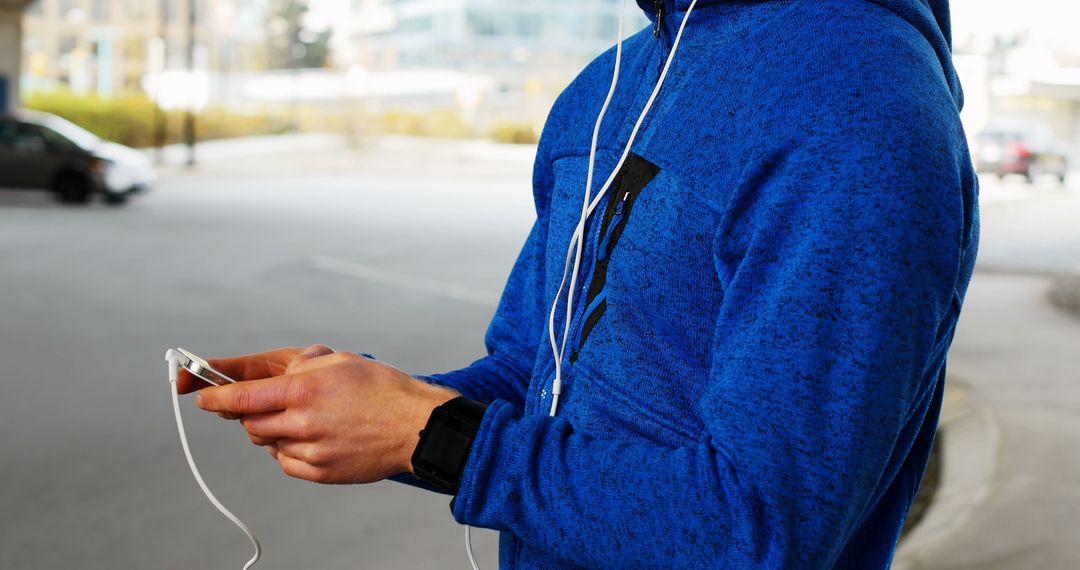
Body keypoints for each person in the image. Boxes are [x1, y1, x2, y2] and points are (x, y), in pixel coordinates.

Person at [180, 0, 979, 567]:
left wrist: (432, 436)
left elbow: (762, 529)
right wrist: (372, 403)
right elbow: (537, 371)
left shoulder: (856, 103)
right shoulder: (607, 88)